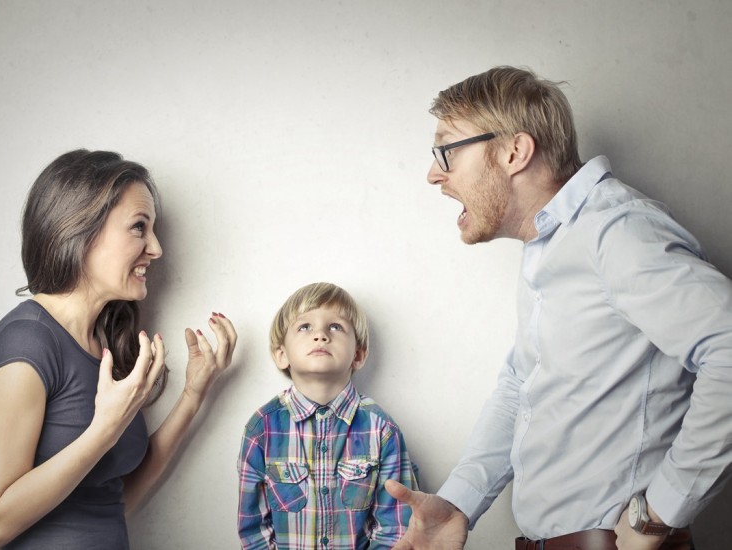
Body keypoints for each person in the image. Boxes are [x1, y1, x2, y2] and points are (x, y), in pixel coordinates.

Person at [385, 66, 732, 550]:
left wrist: (659, 514)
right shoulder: (547, 245)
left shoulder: (617, 231)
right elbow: (521, 387)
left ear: (513, 151)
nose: (433, 173)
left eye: (448, 149)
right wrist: (457, 503)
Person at [0, 149, 237, 549]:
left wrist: (193, 395)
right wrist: (105, 428)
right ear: (80, 230)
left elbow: (114, 500)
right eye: (138, 227)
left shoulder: (105, 343)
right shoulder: (27, 341)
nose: (156, 248)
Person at [237, 282, 418, 548]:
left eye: (335, 326)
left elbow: (395, 528)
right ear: (281, 355)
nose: (320, 335)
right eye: (305, 326)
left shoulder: (381, 429)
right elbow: (254, 529)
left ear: (358, 354)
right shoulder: (261, 429)